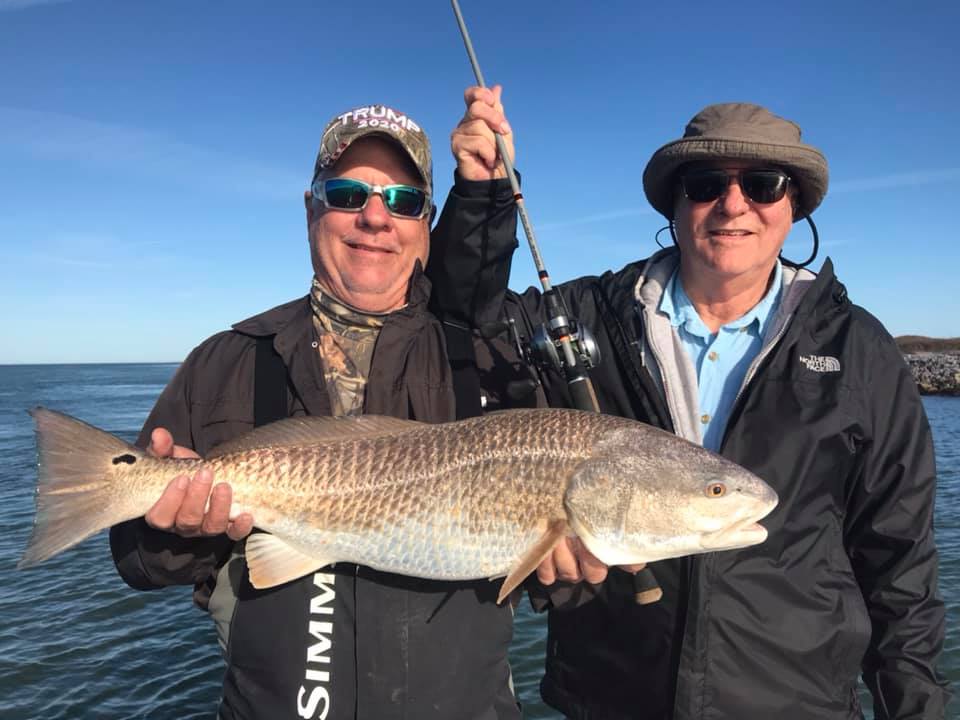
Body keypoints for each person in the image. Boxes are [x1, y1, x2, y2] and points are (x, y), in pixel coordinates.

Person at [430, 90, 950, 719]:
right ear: (676, 203)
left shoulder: (859, 349)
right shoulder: (586, 314)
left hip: (796, 702)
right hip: (612, 695)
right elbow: (463, 323)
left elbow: (900, 563)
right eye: (707, 184)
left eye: (764, 184)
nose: (734, 205)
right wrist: (482, 196)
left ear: (795, 207)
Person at [109, 103, 523, 720]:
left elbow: (555, 574)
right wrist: (176, 530)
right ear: (311, 209)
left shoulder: (488, 360)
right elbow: (138, 561)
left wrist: (574, 563)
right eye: (349, 194)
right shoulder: (225, 360)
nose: (376, 218)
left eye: (404, 201)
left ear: (427, 225)